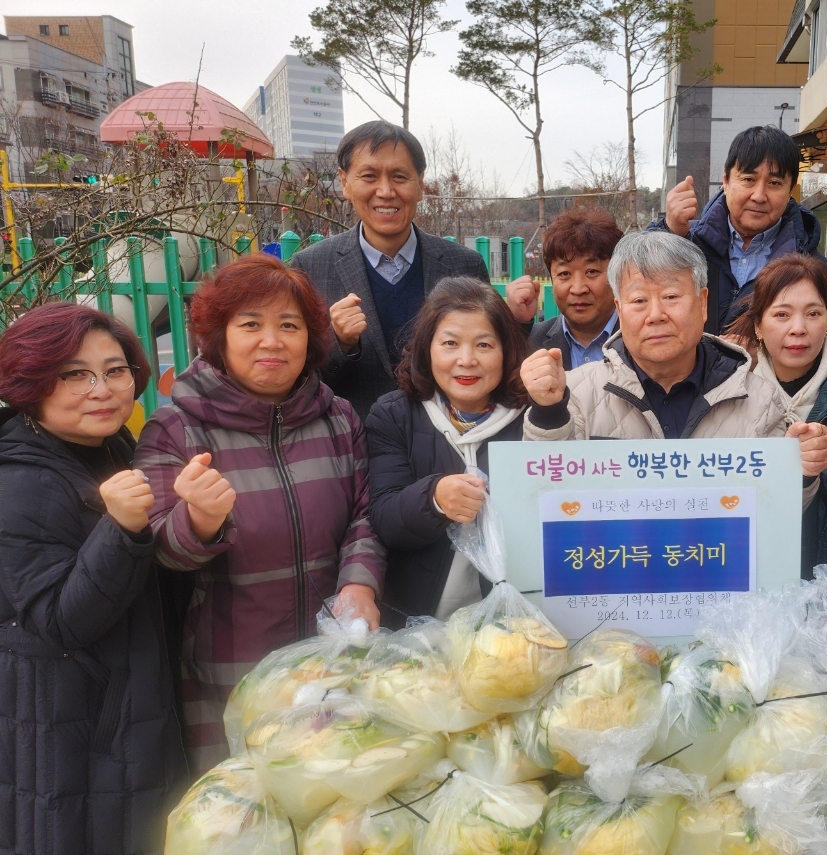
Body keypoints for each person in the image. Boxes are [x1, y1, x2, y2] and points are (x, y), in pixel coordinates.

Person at [134, 254, 385, 772]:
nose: (272, 342)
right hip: (230, 668)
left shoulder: (337, 417)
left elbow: (365, 513)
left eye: (288, 326)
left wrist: (360, 584)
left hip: (331, 660)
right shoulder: (175, 429)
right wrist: (198, 521)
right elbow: (159, 548)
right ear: (218, 336)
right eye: (251, 324)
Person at [0, 303, 186, 855]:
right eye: (74, 374)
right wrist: (122, 529)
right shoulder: (21, 482)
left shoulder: (111, 449)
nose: (101, 389)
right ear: (32, 382)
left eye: (115, 370)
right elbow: (58, 620)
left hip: (120, 719)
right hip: (70, 738)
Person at [521, 231, 827, 489]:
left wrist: (801, 472)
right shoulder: (576, 394)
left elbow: (775, 514)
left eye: (671, 297)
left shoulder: (759, 401)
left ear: (703, 303)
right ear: (619, 307)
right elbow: (543, 494)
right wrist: (548, 414)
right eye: (639, 301)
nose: (656, 315)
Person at [291, 120, 499, 418]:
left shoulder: (463, 265)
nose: (386, 191)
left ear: (420, 184)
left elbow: (490, 355)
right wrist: (337, 342)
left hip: (446, 441)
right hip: (352, 445)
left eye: (400, 176)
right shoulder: (311, 267)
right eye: (369, 176)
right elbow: (298, 379)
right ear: (345, 183)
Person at [365, 278, 530, 627]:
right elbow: (384, 518)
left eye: (484, 345)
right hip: (414, 626)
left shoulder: (530, 417)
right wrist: (434, 499)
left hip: (511, 626)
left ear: (506, 351)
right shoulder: (394, 415)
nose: (466, 360)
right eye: (450, 343)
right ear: (427, 349)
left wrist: (551, 411)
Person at [726, 253, 827, 573]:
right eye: (782, 314)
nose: (798, 328)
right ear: (758, 326)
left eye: (813, 313)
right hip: (749, 577)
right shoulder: (727, 392)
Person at [653, 125, 827, 335]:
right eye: (748, 179)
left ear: (790, 190)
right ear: (727, 181)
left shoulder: (812, 269)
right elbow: (636, 288)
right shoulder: (687, 240)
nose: (759, 195)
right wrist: (669, 232)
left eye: (774, 183)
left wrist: (766, 351)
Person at [507, 207, 623, 368]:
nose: (578, 289)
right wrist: (516, 323)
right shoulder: (531, 343)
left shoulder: (643, 339)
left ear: (616, 275)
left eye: (591, 272)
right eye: (564, 274)